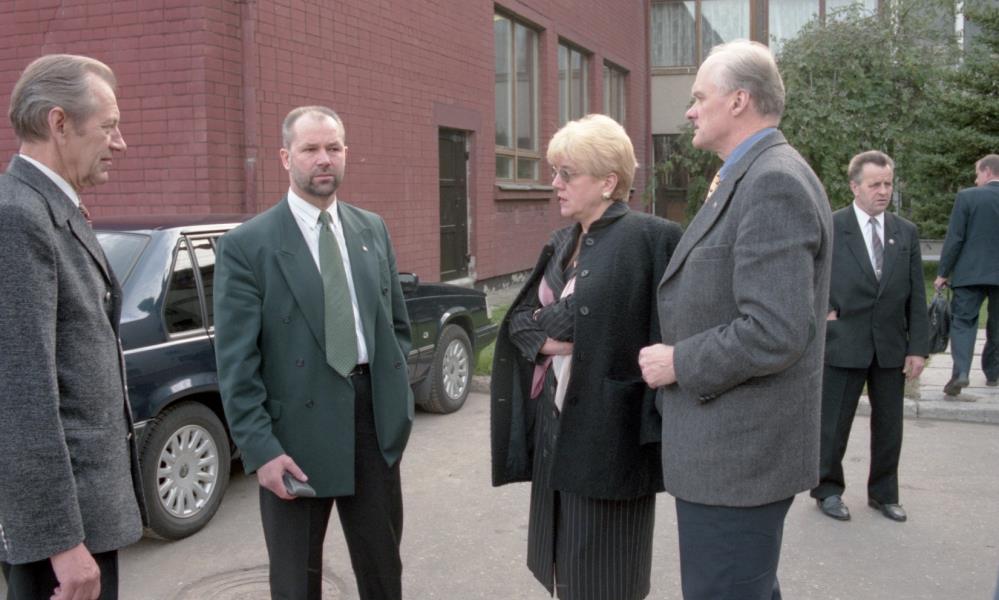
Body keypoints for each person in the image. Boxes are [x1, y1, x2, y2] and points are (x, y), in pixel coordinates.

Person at [638, 40, 832, 600]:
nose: (690, 111)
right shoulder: (751, 174)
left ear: (739, 100)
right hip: (732, 458)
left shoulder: (772, 181)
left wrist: (679, 362)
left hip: (739, 461)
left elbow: (775, 330)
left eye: (700, 97)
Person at [214, 106, 413, 600]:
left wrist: (397, 405)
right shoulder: (248, 245)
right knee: (296, 582)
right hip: (294, 437)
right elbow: (237, 364)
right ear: (286, 157)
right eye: (310, 149)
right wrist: (261, 449)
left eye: (333, 148)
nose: (324, 159)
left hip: (372, 423)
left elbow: (395, 328)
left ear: (345, 153)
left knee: (383, 571)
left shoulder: (371, 228)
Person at [491, 114, 682, 600]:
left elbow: (583, 320)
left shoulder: (650, 238)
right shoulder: (562, 241)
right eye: (554, 171)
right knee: (567, 567)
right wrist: (550, 338)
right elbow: (518, 322)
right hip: (556, 426)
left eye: (567, 173)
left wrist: (555, 326)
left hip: (611, 435)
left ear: (608, 182)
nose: (555, 183)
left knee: (607, 576)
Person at [0, 54, 145, 600]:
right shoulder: (18, 217)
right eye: (108, 127)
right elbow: (21, 393)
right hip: (62, 536)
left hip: (86, 516)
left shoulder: (47, 207)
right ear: (59, 123)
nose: (120, 143)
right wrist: (60, 540)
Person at [810, 151, 928, 523]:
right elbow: (810, 276)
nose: (883, 191)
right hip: (844, 340)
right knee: (833, 424)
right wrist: (824, 312)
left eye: (888, 184)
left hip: (890, 345)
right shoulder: (832, 226)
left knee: (890, 425)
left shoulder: (904, 232)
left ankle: (884, 494)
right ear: (854, 186)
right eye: (875, 184)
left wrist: (918, 348)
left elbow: (916, 293)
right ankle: (827, 490)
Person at [934, 154, 999, 395]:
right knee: (997, 324)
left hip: (970, 273)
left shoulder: (968, 197)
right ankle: (993, 373)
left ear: (987, 172)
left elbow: (955, 238)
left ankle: (960, 373)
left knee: (963, 322)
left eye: (977, 173)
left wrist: (943, 273)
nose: (975, 179)